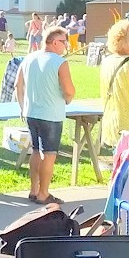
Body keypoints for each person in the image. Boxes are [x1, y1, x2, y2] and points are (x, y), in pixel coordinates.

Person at [14, 26, 75, 205]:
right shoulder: (60, 62)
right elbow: (69, 90)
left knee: (35, 151)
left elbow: (18, 85)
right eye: (64, 42)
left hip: (31, 112)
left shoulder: (29, 58)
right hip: (51, 114)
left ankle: (34, 190)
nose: (66, 46)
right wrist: (69, 99)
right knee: (49, 154)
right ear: (55, 42)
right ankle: (43, 193)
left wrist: (22, 107)